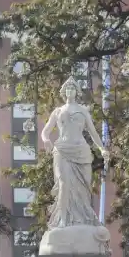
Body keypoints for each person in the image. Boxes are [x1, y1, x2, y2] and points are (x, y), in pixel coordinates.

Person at [41, 76, 110, 228]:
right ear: (64, 92)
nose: (70, 91)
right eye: (67, 88)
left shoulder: (83, 111)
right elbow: (45, 131)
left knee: (83, 188)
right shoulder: (58, 111)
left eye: (72, 88)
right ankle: (63, 220)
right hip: (62, 150)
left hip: (81, 150)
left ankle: (82, 219)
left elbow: (93, 132)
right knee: (64, 184)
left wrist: (102, 148)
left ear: (77, 92)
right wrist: (46, 139)